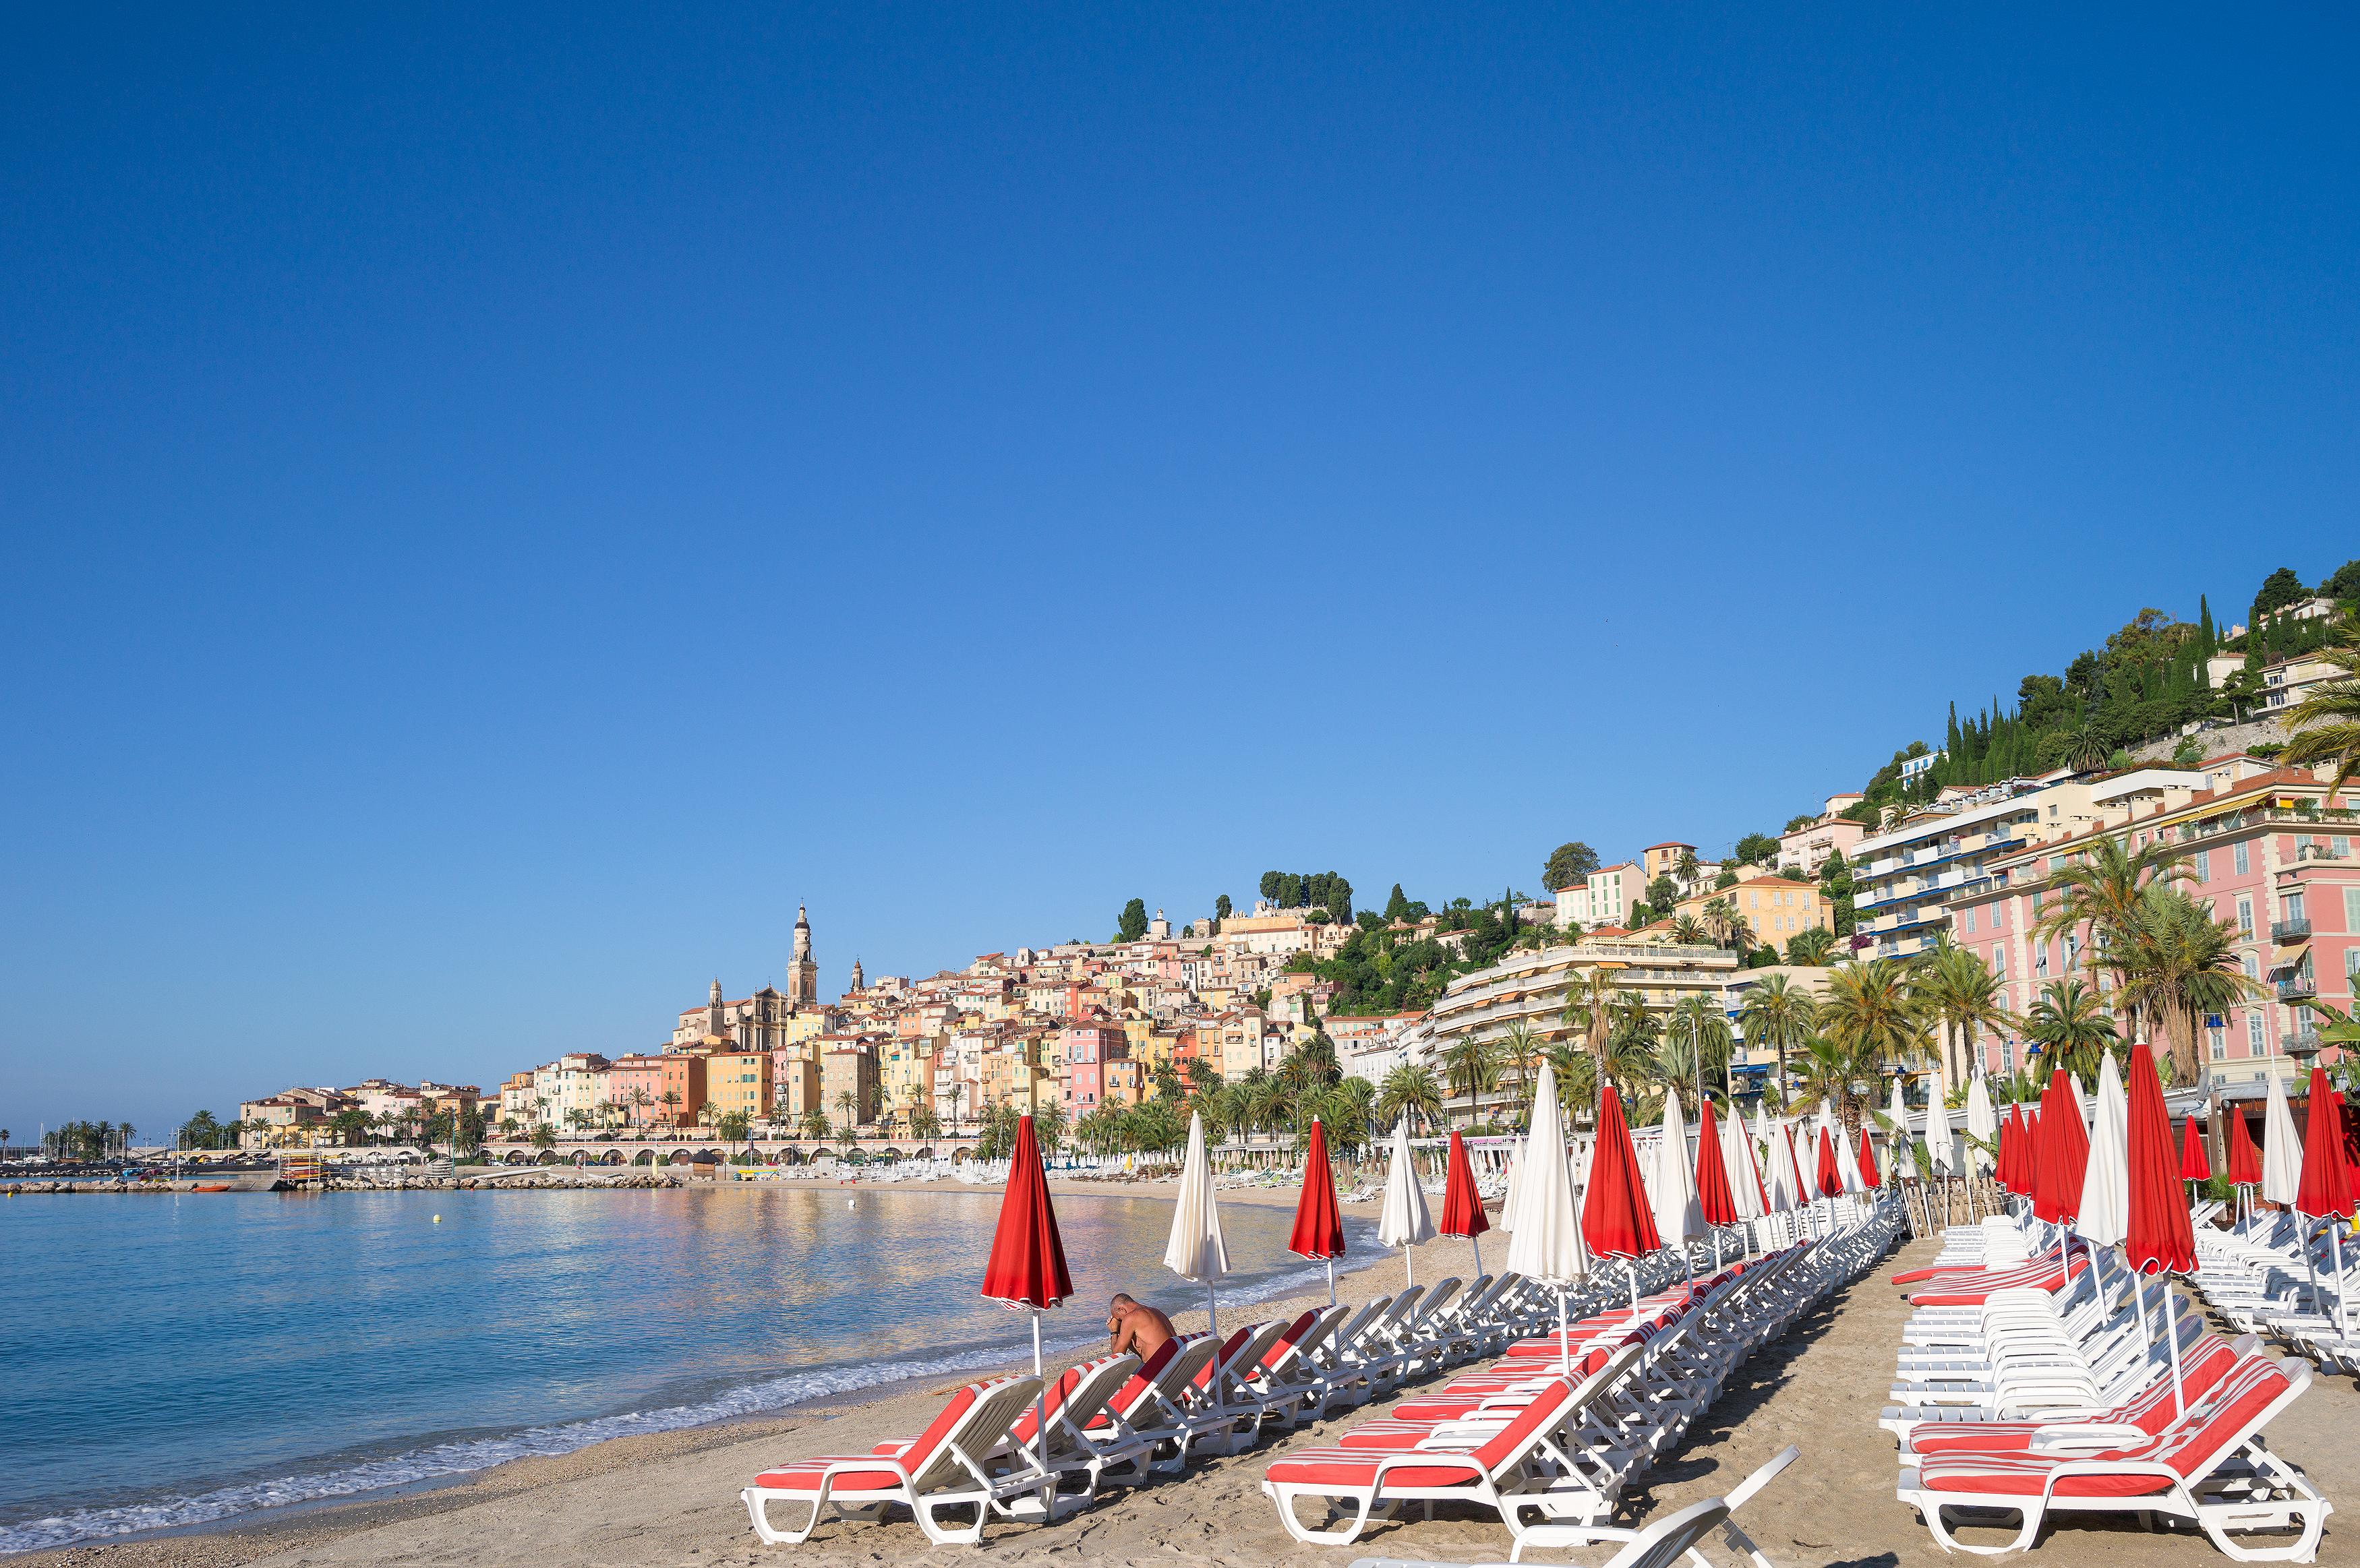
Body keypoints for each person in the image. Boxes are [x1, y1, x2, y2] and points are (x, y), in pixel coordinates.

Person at [1107, 1292, 1175, 1360]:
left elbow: (1117, 1356)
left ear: (1122, 1310)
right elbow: (1140, 1351)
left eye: (1120, 1319)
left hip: (1160, 1365)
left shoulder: (1131, 1317)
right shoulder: (1156, 1311)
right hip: (1177, 1361)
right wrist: (1121, 1331)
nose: (1121, 1322)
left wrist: (1114, 1331)